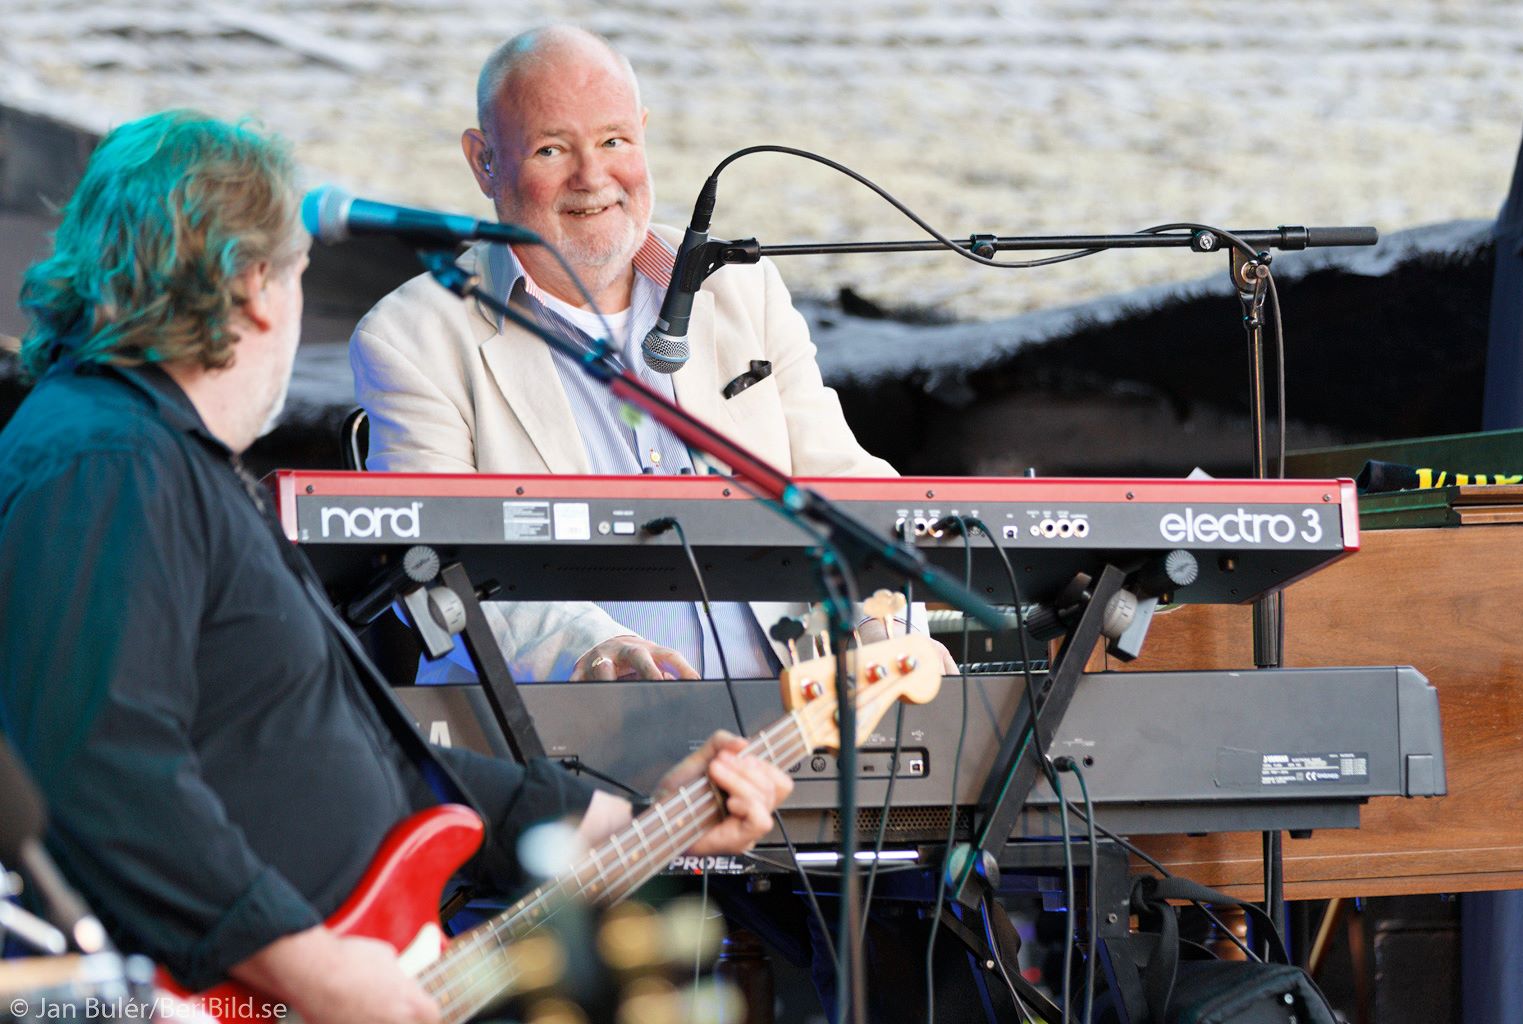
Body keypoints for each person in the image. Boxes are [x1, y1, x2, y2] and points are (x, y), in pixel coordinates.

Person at [0, 110, 791, 1024]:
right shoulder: (107, 460)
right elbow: (99, 763)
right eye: (301, 278)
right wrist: (315, 972)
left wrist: (648, 818)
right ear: (259, 286)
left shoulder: (163, 463)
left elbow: (383, 771)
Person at [350, 25, 956, 684]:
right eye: (552, 149)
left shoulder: (740, 287)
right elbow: (433, 573)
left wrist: (887, 632)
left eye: (615, 140)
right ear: (484, 161)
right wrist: (593, 653)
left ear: (643, 133)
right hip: (565, 742)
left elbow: (845, 487)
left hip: (796, 723)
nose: (593, 177)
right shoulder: (412, 337)